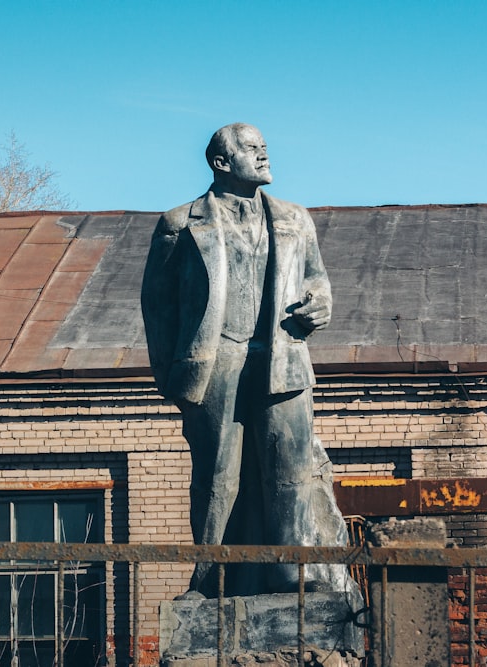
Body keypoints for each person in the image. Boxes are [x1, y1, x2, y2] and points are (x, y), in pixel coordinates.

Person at [141, 123, 355, 598]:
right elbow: (157, 309)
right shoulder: (180, 223)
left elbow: (317, 279)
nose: (263, 155)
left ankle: (294, 571)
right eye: (252, 149)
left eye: (264, 147)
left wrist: (320, 302)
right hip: (216, 362)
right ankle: (211, 577)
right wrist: (173, 378)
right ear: (221, 162)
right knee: (218, 477)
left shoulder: (296, 219)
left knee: (291, 469)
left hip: (283, 358)